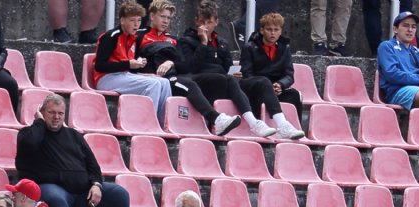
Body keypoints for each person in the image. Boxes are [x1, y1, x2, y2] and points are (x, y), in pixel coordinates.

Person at [18, 96, 130, 207]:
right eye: (51, 112)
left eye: (60, 113)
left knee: (120, 195)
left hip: (82, 193)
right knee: (56, 199)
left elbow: (93, 165)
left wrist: (96, 185)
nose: (56, 117)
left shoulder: (74, 135)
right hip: (50, 187)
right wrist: (39, 123)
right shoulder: (29, 134)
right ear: (42, 112)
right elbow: (30, 143)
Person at [169, 3, 259, 137]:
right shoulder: (186, 41)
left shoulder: (222, 43)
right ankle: (246, 122)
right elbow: (189, 67)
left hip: (219, 81)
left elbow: (228, 67)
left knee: (254, 82)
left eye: (209, 22)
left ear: (216, 22)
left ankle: (254, 122)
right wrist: (203, 43)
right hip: (198, 79)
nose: (205, 26)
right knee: (226, 79)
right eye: (202, 22)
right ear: (196, 21)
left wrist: (235, 73)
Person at [92, 1, 171, 116]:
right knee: (153, 84)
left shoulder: (132, 38)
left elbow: (126, 70)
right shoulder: (111, 36)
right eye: (132, 20)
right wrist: (129, 64)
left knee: (164, 82)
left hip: (122, 75)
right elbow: (100, 66)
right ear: (122, 20)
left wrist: (143, 74)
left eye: (139, 20)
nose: (136, 25)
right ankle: (146, 122)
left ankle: (161, 123)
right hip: (105, 79)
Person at [237, 10, 306, 139]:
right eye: (269, 29)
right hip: (256, 86)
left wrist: (280, 85)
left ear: (280, 31)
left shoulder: (285, 48)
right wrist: (268, 87)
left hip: (275, 87)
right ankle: (282, 126)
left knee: (295, 95)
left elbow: (289, 74)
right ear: (262, 30)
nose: (273, 33)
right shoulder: (249, 47)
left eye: (276, 30)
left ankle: (295, 128)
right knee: (264, 83)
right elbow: (246, 73)